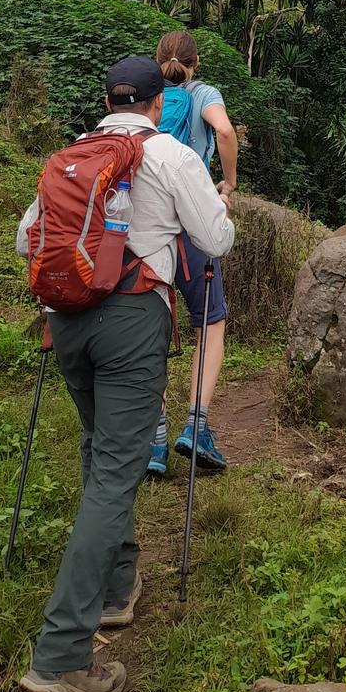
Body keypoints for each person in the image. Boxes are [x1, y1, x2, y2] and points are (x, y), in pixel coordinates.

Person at [17, 56, 234, 692]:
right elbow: (215, 241)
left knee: (99, 449)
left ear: (109, 100)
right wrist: (222, 206)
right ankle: (60, 656)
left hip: (67, 322)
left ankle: (115, 589)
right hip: (132, 321)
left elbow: (27, 240)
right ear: (156, 104)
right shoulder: (169, 155)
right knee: (116, 472)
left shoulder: (73, 157)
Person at [146, 30, 238, 476]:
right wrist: (228, 182)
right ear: (196, 63)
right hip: (194, 226)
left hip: (151, 229)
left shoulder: (148, 97)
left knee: (152, 328)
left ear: (157, 61)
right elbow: (224, 129)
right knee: (210, 321)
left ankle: (155, 439)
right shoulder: (203, 93)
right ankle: (196, 426)